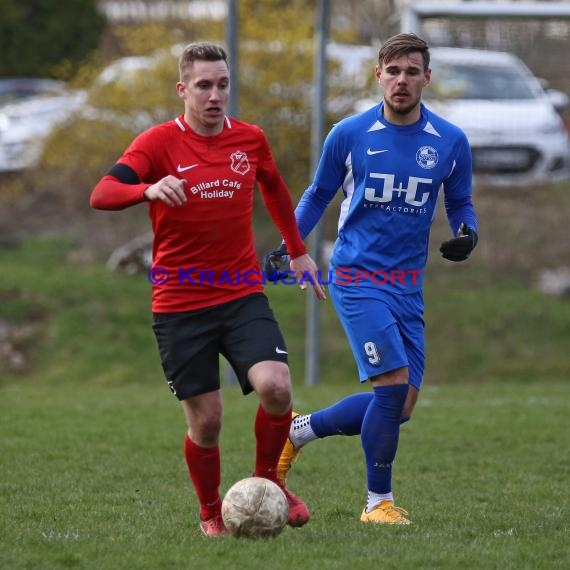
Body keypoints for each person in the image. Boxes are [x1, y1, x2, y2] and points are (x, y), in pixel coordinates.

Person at [90, 42, 326, 537]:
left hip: (241, 295)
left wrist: (297, 249)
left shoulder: (250, 139)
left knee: (277, 387)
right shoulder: (156, 144)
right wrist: (146, 189)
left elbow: (275, 188)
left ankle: (269, 485)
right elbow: (103, 194)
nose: (215, 95)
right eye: (204, 85)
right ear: (183, 90)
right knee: (208, 423)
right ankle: (210, 511)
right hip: (180, 305)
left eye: (222, 84)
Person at [268, 33, 478, 525]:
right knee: (391, 384)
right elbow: (318, 195)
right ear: (377, 75)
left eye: (411, 71)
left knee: (399, 404)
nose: (401, 80)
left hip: (408, 284)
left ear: (427, 78)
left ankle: (298, 432)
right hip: (357, 277)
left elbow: (461, 202)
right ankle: (377, 503)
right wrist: (291, 244)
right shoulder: (349, 133)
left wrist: (468, 233)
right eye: (393, 71)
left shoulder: (450, 141)